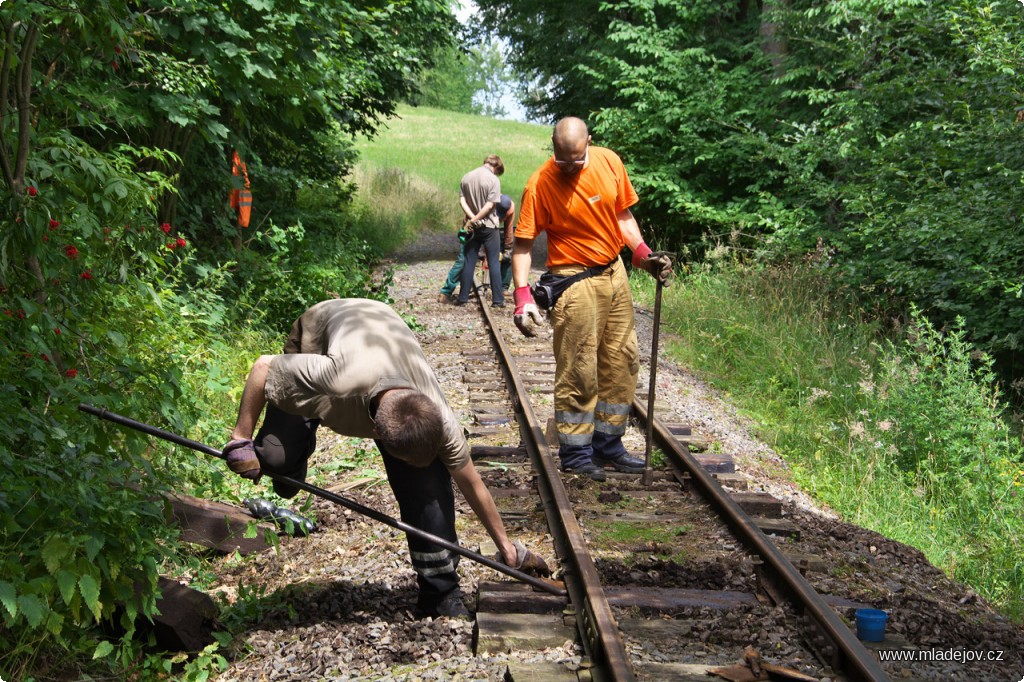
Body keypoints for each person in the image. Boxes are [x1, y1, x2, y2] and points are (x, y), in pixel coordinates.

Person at [221, 298, 547, 618]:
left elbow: (473, 485)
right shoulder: (334, 376)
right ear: (377, 436)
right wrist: (241, 439)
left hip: (380, 336)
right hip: (321, 342)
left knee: (427, 486)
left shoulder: (439, 419)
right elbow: (264, 366)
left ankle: (440, 594)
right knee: (277, 460)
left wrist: (507, 549)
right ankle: (300, 439)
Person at [510, 117, 672, 482]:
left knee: (622, 361)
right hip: (574, 279)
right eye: (561, 159)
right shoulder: (539, 184)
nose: (569, 167)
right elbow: (522, 246)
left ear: (590, 144)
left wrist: (644, 256)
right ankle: (576, 452)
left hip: (614, 273)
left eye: (576, 160)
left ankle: (608, 444)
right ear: (552, 146)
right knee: (579, 368)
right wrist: (523, 298)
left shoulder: (609, 162)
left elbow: (622, 217)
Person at [437, 193, 515, 303]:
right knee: (463, 259)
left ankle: (502, 289)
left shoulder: (510, 208)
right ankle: (446, 291)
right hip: (474, 226)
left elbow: (509, 230)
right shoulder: (484, 203)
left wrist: (507, 248)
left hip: (492, 231)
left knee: (509, 256)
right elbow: (469, 222)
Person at [456, 155, 506, 308]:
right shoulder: (493, 180)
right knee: (493, 262)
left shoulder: (467, 177)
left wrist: (472, 219)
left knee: (469, 260)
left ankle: (463, 297)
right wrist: (479, 218)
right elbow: (490, 205)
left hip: (472, 227)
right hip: (489, 226)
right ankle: (497, 300)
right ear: (497, 167)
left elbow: (462, 200)